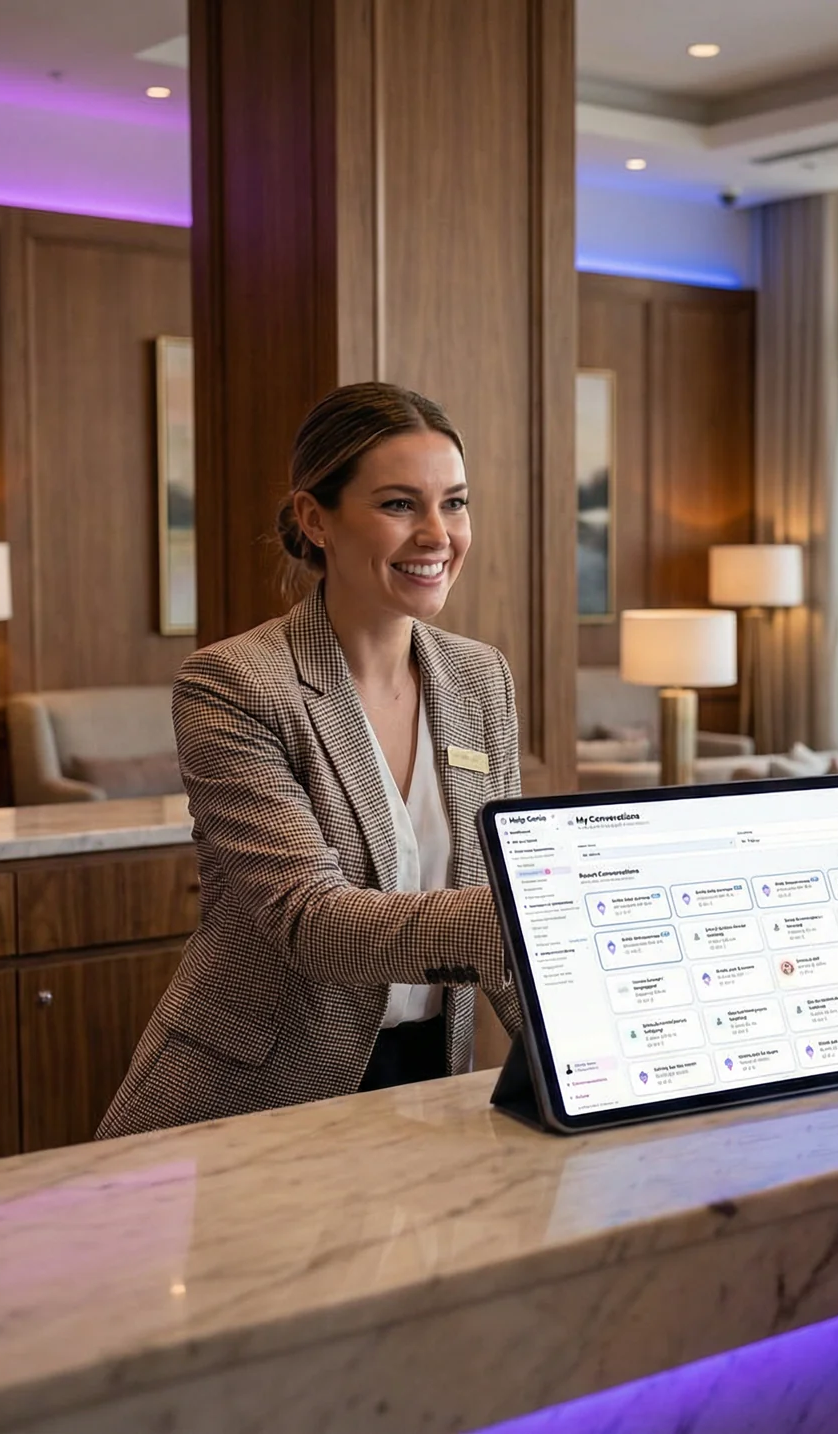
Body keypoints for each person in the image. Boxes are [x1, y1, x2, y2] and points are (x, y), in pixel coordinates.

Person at [99, 382, 523, 1138]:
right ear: (313, 518)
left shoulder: (479, 678)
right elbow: (311, 921)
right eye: (400, 505)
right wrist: (541, 915)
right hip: (254, 1097)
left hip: (428, 1082)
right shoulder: (234, 683)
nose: (437, 534)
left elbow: (501, 895)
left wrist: (609, 1065)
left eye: (454, 503)